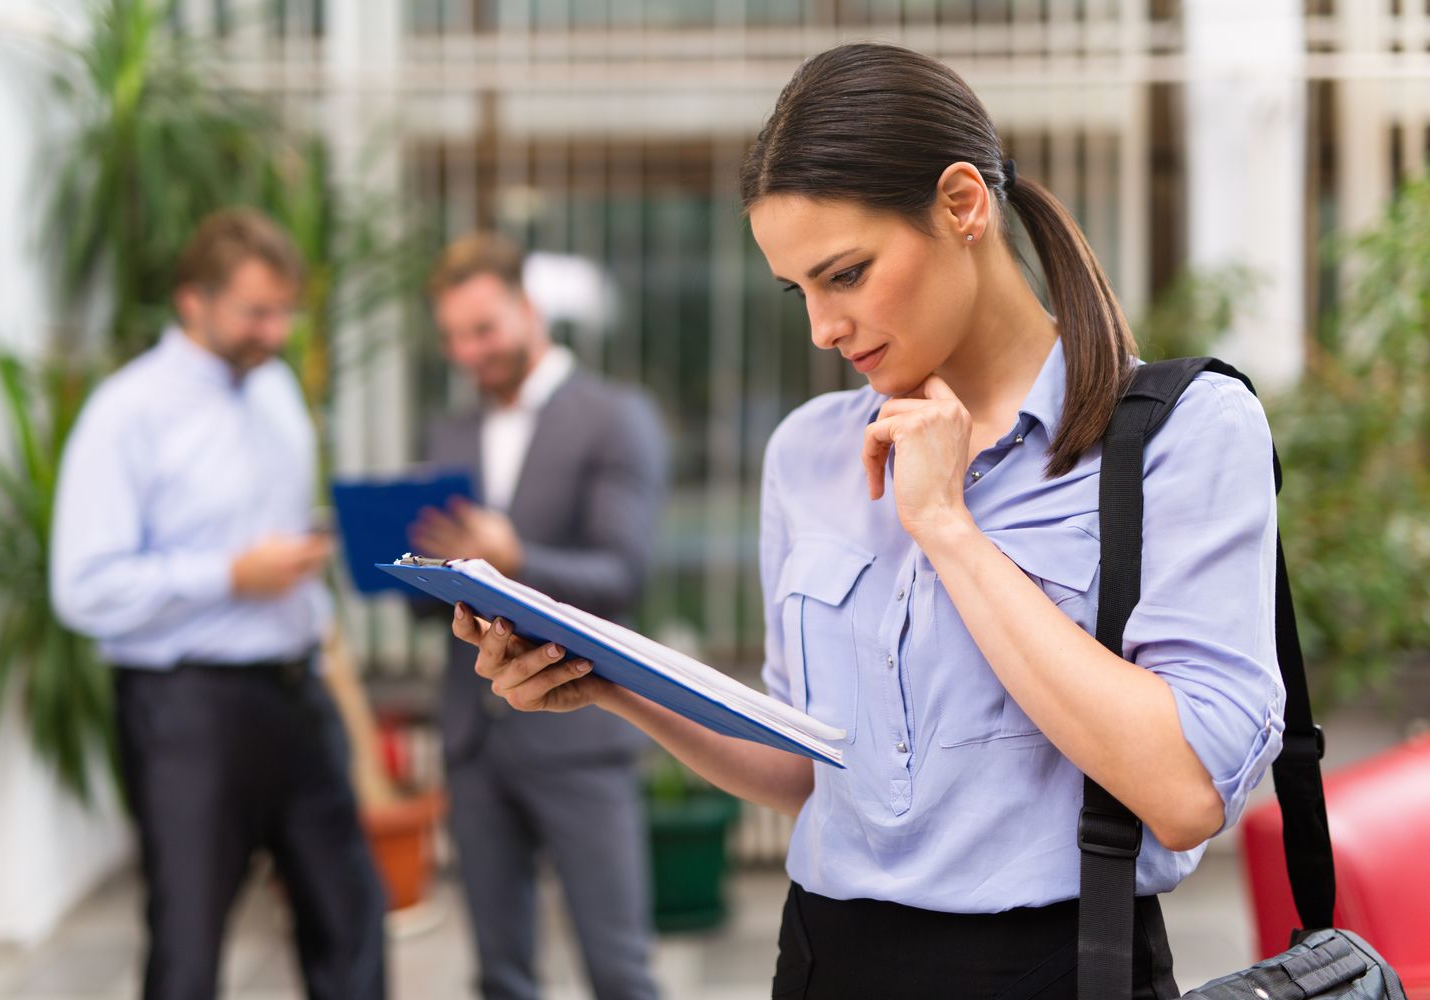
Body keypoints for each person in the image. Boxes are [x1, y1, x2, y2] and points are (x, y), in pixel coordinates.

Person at [447, 44, 1287, 999]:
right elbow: (809, 770)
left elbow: (1184, 794)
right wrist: (605, 683)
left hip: (1061, 966)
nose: (821, 328)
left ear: (964, 206)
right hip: (822, 961)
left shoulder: (1181, 435)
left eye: (844, 275)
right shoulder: (809, 453)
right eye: (796, 289)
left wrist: (946, 524)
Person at [51, 208, 386, 1000]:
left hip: (295, 691)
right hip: (185, 710)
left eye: (284, 312)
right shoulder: (125, 414)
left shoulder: (273, 392)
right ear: (192, 302)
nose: (274, 332)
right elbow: (83, 587)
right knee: (190, 939)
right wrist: (230, 575)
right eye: (255, 313)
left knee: (350, 918)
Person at [412, 234, 666, 1000]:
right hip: (473, 736)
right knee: (499, 975)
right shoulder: (446, 434)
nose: (467, 352)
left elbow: (623, 575)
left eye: (482, 330)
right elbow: (442, 600)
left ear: (529, 311)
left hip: (580, 735)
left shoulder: (615, 418)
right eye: (453, 337)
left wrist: (514, 558)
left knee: (619, 970)